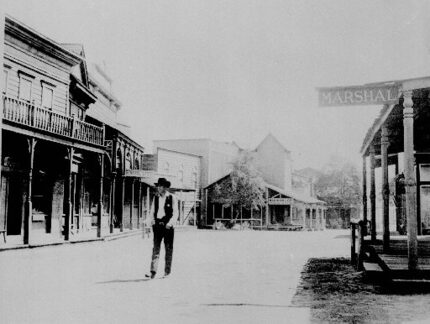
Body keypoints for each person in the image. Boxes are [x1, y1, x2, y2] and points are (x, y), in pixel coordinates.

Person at [146, 177, 179, 279]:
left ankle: (167, 272)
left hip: (168, 227)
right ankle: (153, 272)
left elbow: (176, 213)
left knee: (168, 249)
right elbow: (151, 213)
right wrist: (148, 224)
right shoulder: (156, 198)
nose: (159, 188)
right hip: (157, 227)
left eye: (161, 186)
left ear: (165, 187)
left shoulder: (172, 198)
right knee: (156, 249)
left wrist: (170, 223)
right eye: (158, 186)